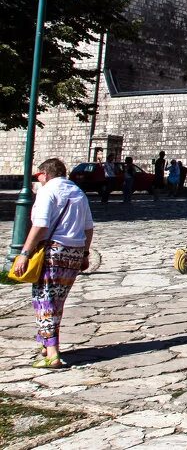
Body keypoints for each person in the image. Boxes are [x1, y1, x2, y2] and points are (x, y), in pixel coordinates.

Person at [11, 158, 94, 368]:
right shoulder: (77, 192)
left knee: (44, 300)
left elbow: (40, 226)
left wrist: (24, 253)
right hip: (74, 252)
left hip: (54, 251)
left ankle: (53, 352)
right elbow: (88, 228)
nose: (38, 180)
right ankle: (45, 345)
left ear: (45, 174)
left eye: (38, 176)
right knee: (57, 302)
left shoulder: (48, 191)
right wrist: (84, 255)